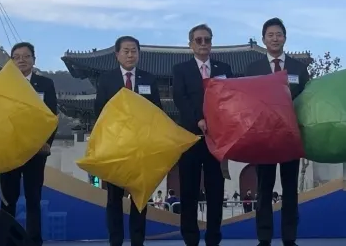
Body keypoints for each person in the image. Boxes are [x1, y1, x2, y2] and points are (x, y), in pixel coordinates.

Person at [246, 17, 309, 246]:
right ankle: (264, 237)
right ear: (264, 39)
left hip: (291, 136)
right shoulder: (253, 69)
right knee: (264, 188)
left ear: (285, 38)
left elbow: (307, 101)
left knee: (290, 189)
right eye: (270, 35)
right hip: (264, 137)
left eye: (279, 34)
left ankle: (289, 237)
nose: (275, 39)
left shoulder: (299, 68)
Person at [94, 35, 162, 246]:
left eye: (134, 51)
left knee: (139, 199)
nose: (130, 55)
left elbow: (157, 111)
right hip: (117, 148)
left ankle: (137, 241)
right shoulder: (107, 80)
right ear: (117, 55)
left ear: (138, 54)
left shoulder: (149, 79)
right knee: (114, 198)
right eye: (126, 51)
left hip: (141, 148)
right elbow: (99, 111)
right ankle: (115, 240)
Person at [172, 23, 234, 246]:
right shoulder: (181, 70)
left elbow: (230, 98)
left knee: (215, 190)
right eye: (198, 40)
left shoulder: (223, 68)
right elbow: (180, 99)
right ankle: (190, 239)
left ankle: (213, 238)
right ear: (191, 44)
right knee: (189, 191)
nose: (203, 43)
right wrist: (198, 120)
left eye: (207, 39)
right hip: (190, 138)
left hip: (217, 139)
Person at [0, 41, 58, 246]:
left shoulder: (45, 84)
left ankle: (34, 241)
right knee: (8, 198)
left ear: (34, 59)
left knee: (33, 198)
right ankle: (7, 241)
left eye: (26, 56)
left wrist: (47, 143)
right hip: (10, 150)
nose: (21, 60)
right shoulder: (3, 84)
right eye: (16, 57)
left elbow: (52, 116)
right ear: (11, 61)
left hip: (36, 149)